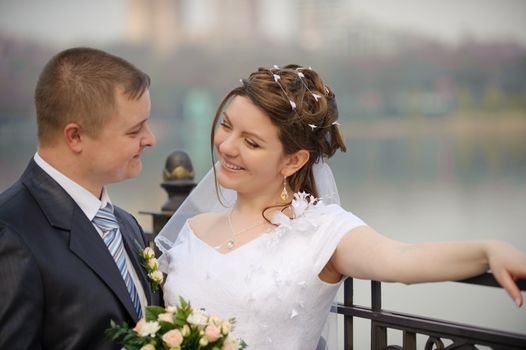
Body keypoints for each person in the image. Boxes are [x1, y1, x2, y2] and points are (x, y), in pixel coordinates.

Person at [155, 64, 526, 349]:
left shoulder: (321, 233)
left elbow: (403, 258)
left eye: (251, 143)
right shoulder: (194, 229)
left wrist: (486, 251)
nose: (226, 146)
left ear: (293, 161)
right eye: (226, 126)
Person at [0, 47, 162, 349]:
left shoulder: (127, 226)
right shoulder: (11, 234)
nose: (150, 139)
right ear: (75, 136)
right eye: (134, 130)